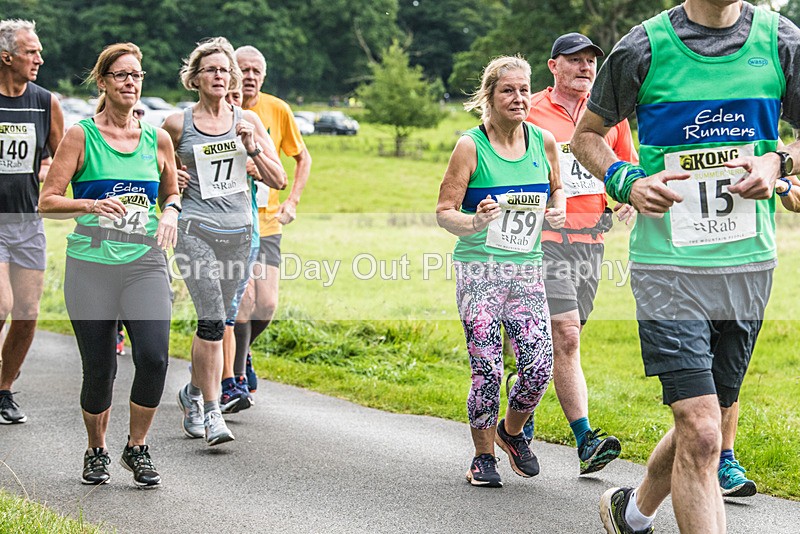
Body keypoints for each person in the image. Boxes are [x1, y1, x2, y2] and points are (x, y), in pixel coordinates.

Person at [571, 1, 800, 532]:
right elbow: (587, 136)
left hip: (747, 266)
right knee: (700, 429)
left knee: (708, 420)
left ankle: (631, 510)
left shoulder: (781, 41)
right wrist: (626, 180)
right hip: (667, 268)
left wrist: (778, 161)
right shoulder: (642, 48)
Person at [39, 42, 180, 487]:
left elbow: (172, 194)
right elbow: (47, 201)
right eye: (121, 75)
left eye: (136, 75)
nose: (130, 83)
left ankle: (136, 447)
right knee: (101, 368)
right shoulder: (82, 136)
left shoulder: (157, 139)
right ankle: (96, 450)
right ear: (103, 82)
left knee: (155, 357)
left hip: (144, 261)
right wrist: (90, 204)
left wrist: (172, 213)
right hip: (91, 264)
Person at [436, 55, 566, 488]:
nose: (519, 98)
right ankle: (483, 455)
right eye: (508, 90)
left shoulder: (544, 142)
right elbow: (444, 211)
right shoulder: (470, 146)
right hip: (479, 272)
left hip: (525, 273)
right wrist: (473, 221)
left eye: (525, 89)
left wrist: (558, 210)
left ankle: (511, 432)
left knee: (539, 365)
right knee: (488, 367)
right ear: (489, 96)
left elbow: (557, 189)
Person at [522, 32, 638, 475]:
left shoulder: (611, 117)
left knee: (557, 342)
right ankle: (586, 439)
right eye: (575, 60)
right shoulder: (529, 111)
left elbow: (624, 169)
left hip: (591, 242)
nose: (586, 67)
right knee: (565, 335)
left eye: (591, 60)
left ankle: (522, 397)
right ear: (553, 67)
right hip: (541, 241)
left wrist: (624, 196)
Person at [162, 37, 285, 445]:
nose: (220, 75)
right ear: (194, 78)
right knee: (213, 320)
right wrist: (172, 184)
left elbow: (278, 179)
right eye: (211, 69)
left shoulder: (246, 121)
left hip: (239, 233)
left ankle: (193, 393)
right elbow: (158, 175)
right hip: (195, 231)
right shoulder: (177, 124)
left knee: (218, 322)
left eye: (225, 70)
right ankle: (214, 413)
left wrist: (253, 149)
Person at [228, 45, 311, 398]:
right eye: (242, 69)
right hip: (230, 222)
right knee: (241, 301)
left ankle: (240, 351)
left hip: (267, 221)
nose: (248, 76)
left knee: (266, 304)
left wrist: (292, 200)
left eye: (255, 71)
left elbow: (302, 157)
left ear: (263, 76)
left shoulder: (277, 110)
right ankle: (233, 373)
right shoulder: (220, 110)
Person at [0, 19, 64, 424]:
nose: (39, 58)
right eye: (31, 52)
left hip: (27, 220)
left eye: (39, 51)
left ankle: (3, 390)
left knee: (27, 312)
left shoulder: (44, 102)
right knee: (1, 304)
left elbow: (68, 158)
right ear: (7, 57)